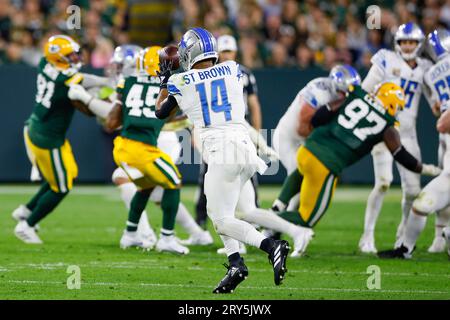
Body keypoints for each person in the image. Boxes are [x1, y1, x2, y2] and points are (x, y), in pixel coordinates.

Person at [155, 27, 290, 294]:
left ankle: (272, 246)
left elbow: (160, 112)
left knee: (220, 220)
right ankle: (235, 264)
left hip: (222, 152)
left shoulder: (182, 81)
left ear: (190, 52)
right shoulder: (233, 69)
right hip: (244, 148)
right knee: (225, 212)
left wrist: (164, 81)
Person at [275, 82, 441, 255]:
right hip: (326, 163)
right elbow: (401, 155)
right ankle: (258, 220)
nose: (397, 111)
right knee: (306, 218)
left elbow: (320, 116)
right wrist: (426, 169)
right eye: (397, 107)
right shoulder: (387, 125)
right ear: (391, 103)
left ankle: (274, 209)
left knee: (301, 174)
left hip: (307, 149)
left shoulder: (356, 95)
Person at [12, 35, 111, 243]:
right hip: (47, 137)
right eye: (70, 55)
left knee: (64, 176)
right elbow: (83, 82)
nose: (75, 57)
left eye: (74, 53)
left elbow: (78, 78)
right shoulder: (65, 80)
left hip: (39, 127)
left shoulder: (44, 62)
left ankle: (26, 211)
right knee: (62, 186)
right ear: (58, 58)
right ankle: (26, 226)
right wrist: (108, 82)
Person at [359, 23, 436, 253]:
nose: (408, 46)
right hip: (383, 130)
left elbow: (435, 101)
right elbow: (365, 91)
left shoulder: (425, 68)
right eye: (404, 42)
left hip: (407, 133)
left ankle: (402, 237)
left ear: (419, 44)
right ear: (397, 43)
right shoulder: (385, 59)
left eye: (412, 42)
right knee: (383, 183)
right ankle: (367, 236)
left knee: (412, 191)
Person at [105, 46, 189, 254]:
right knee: (174, 181)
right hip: (141, 149)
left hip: (122, 145)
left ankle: (130, 234)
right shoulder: (167, 87)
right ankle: (167, 238)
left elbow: (111, 122)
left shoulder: (127, 82)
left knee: (146, 187)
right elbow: (166, 115)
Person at [378, 29, 450, 259]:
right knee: (420, 203)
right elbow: (439, 112)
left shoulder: (431, 71)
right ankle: (406, 249)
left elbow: (441, 117)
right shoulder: (430, 72)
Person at [195, 34, 264, 232]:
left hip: (239, 129)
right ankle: (205, 218)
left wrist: (257, 133)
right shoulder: (208, 72)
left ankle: (249, 218)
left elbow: (253, 104)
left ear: (234, 52)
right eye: (222, 51)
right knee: (207, 176)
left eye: (228, 51)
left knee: (248, 176)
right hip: (215, 131)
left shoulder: (242, 73)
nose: (226, 55)